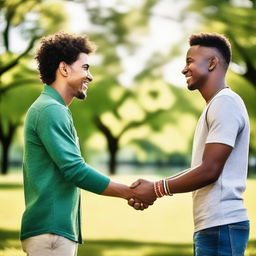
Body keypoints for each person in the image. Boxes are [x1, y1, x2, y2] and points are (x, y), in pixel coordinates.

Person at [20, 32, 152, 256]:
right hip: (51, 233)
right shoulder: (50, 109)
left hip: (53, 231)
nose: (89, 76)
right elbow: (75, 170)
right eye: (85, 68)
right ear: (64, 69)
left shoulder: (52, 108)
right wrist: (129, 192)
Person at [129, 33, 250, 256]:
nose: (184, 70)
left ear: (212, 63)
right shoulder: (217, 104)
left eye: (189, 62)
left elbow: (210, 170)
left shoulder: (225, 103)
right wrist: (156, 186)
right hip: (212, 225)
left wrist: (156, 190)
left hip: (221, 225)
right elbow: (202, 168)